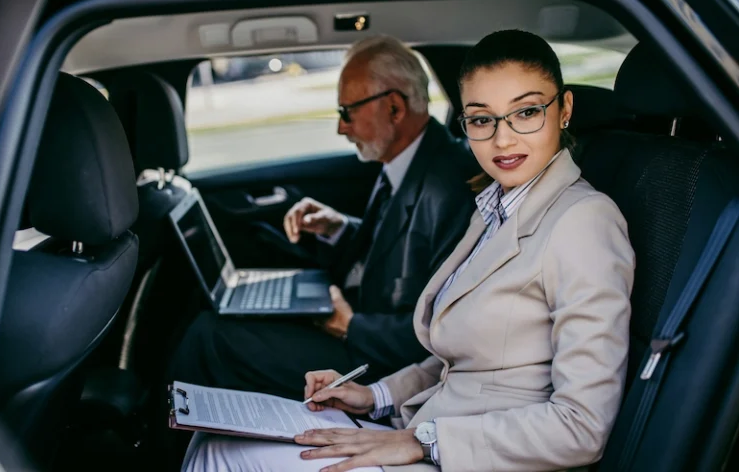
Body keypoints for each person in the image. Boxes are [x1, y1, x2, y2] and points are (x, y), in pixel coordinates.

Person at [181, 29, 636, 472]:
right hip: (426, 427)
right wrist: (373, 396)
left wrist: (422, 442)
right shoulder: (494, 209)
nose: (503, 139)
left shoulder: (584, 220)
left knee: (222, 454)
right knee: (213, 438)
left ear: (564, 109)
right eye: (482, 119)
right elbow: (458, 358)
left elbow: (582, 427)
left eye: (527, 112)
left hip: (471, 455)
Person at [167, 35, 478, 398]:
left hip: (380, 363)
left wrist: (351, 325)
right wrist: (338, 228)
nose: (341, 128)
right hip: (356, 321)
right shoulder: (405, 162)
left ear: (394, 108)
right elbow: (393, 247)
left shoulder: (451, 188)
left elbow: (448, 329)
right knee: (224, 314)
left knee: (209, 337)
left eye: (347, 112)